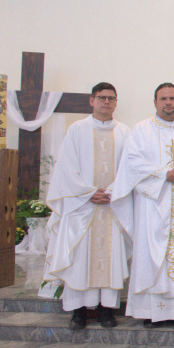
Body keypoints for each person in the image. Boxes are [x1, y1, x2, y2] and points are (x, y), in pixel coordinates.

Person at [39, 82, 132, 330]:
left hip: (112, 206)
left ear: (116, 102)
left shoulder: (125, 132)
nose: (106, 102)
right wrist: (89, 192)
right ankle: (78, 312)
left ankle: (106, 310)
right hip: (81, 207)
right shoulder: (77, 129)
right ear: (92, 101)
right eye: (102, 97)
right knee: (78, 259)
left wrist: (112, 191)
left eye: (111, 98)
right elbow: (66, 167)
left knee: (110, 259)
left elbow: (130, 169)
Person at [114, 83, 174, 328]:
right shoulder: (141, 130)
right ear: (155, 102)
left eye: (172, 98)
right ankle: (152, 312)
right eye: (163, 98)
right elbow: (132, 163)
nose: (168, 103)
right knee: (152, 255)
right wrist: (165, 173)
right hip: (152, 205)